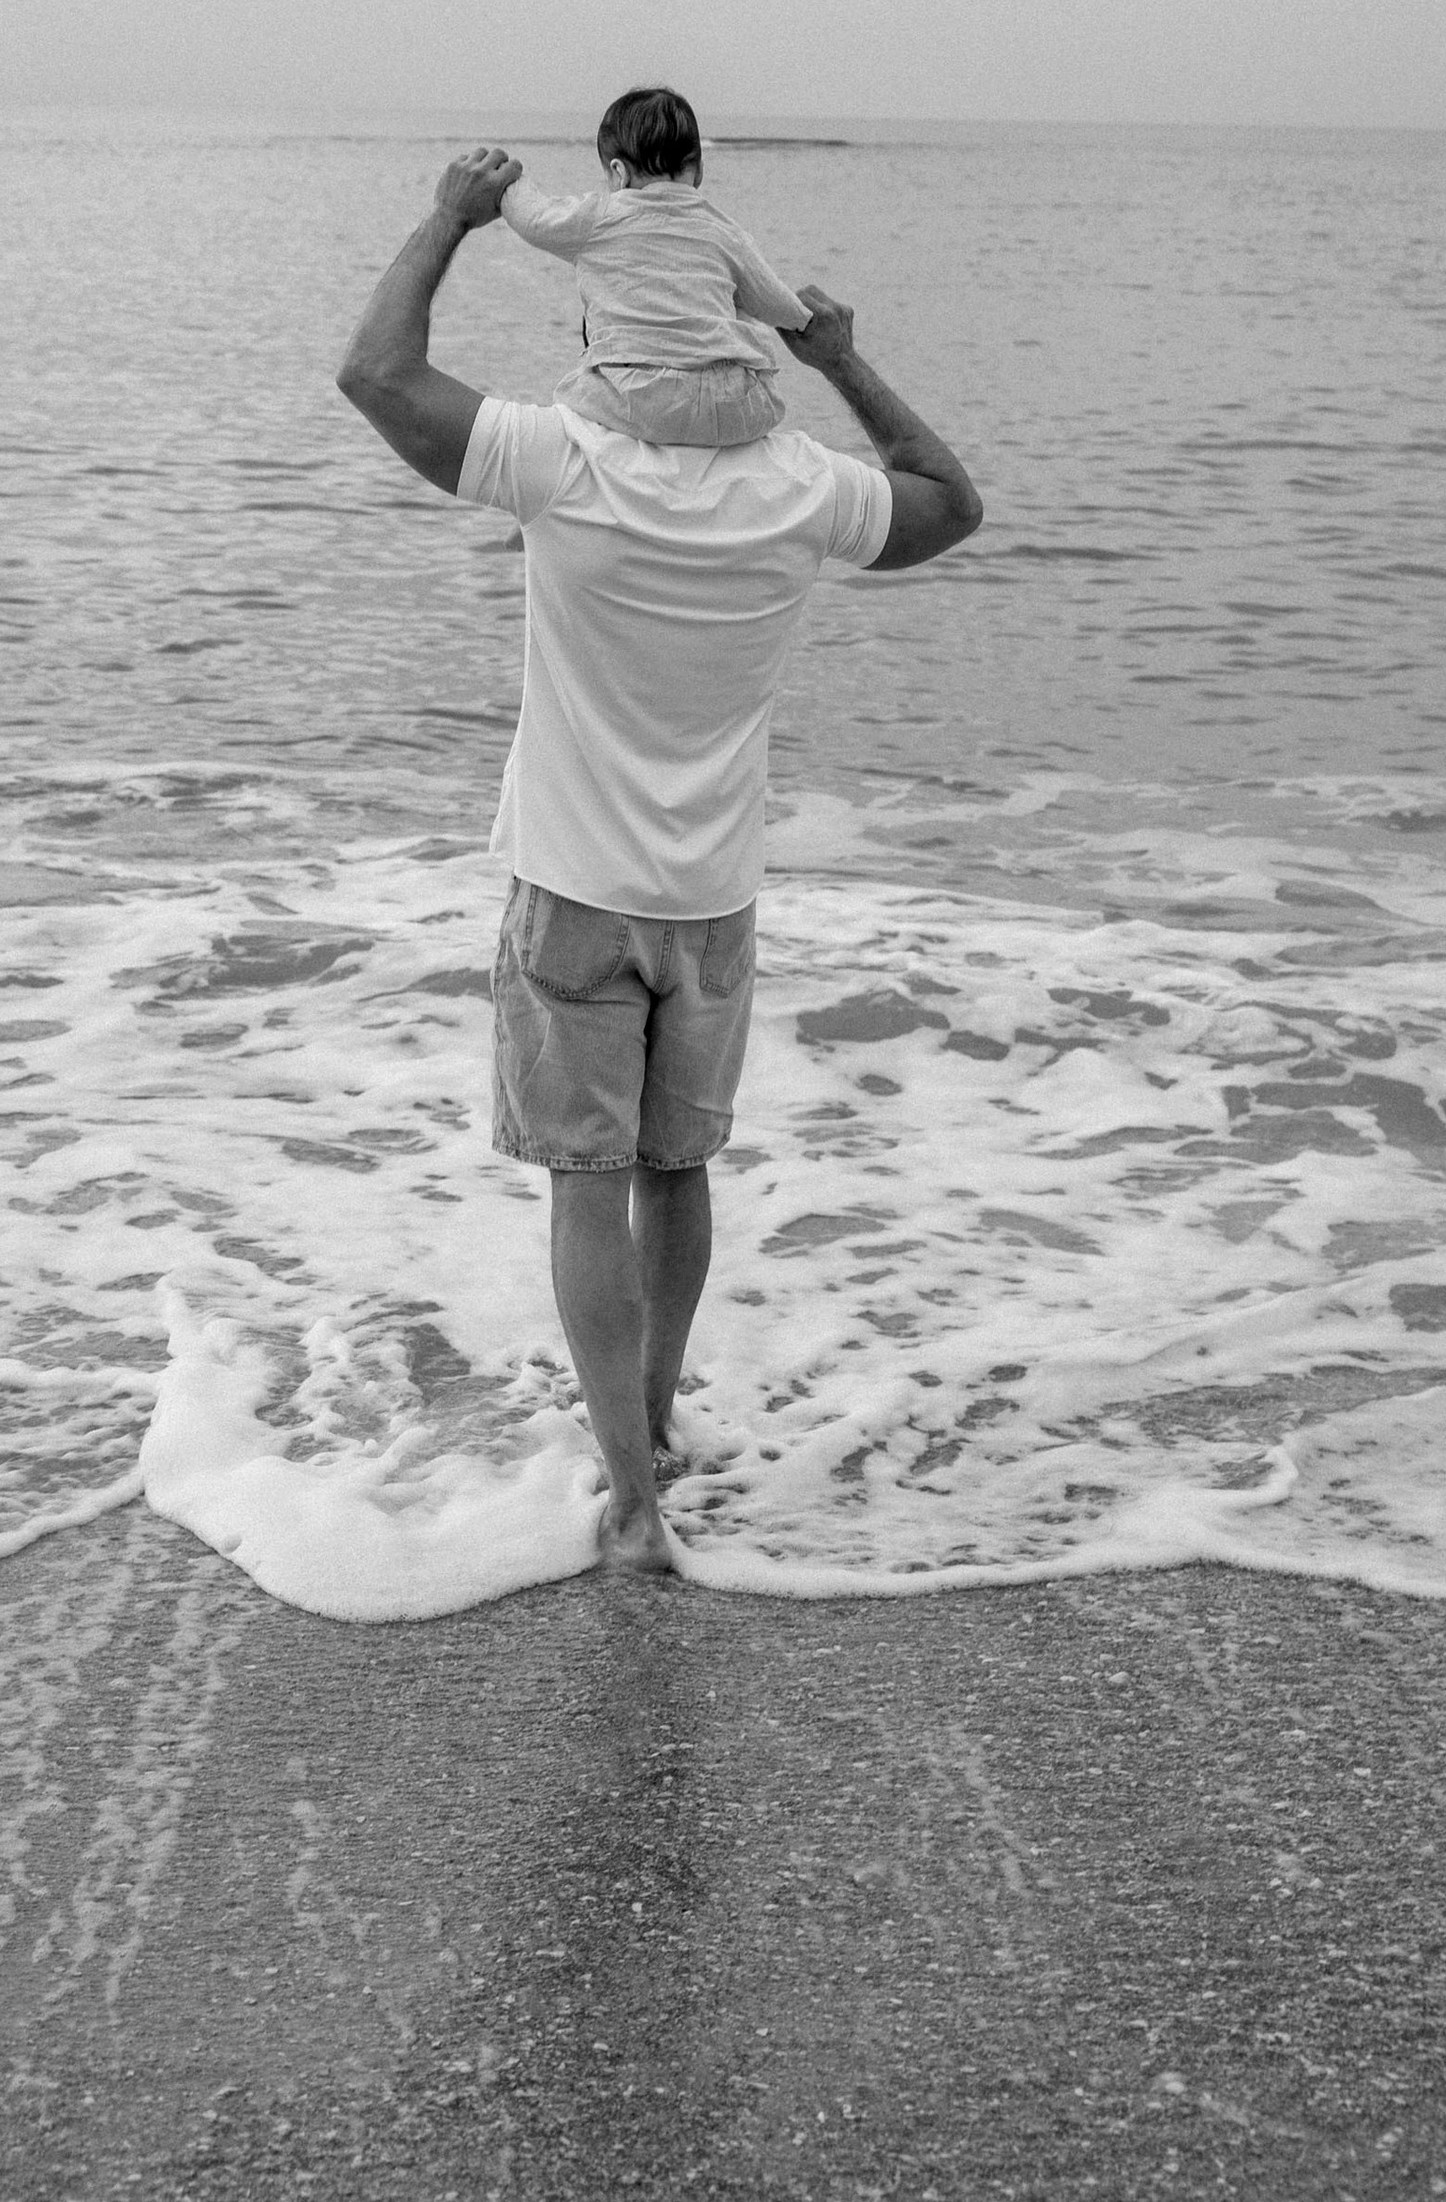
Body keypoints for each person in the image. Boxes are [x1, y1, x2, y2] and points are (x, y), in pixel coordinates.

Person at [335, 139, 983, 1573]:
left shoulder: (562, 460)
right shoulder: (800, 485)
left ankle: (631, 1499)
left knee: (584, 1181)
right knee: (674, 1175)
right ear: (734, 340)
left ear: (598, 332)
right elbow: (949, 502)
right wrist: (839, 360)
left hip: (574, 888)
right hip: (711, 901)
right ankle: (660, 1419)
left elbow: (375, 373)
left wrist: (448, 220)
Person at [499, 81, 810, 450]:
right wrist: (807, 319)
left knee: (574, 390)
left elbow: (534, 219)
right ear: (698, 170)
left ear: (618, 172)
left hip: (638, 397)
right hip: (731, 407)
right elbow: (777, 306)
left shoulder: (601, 215)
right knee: (738, 314)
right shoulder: (725, 231)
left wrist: (509, 181)